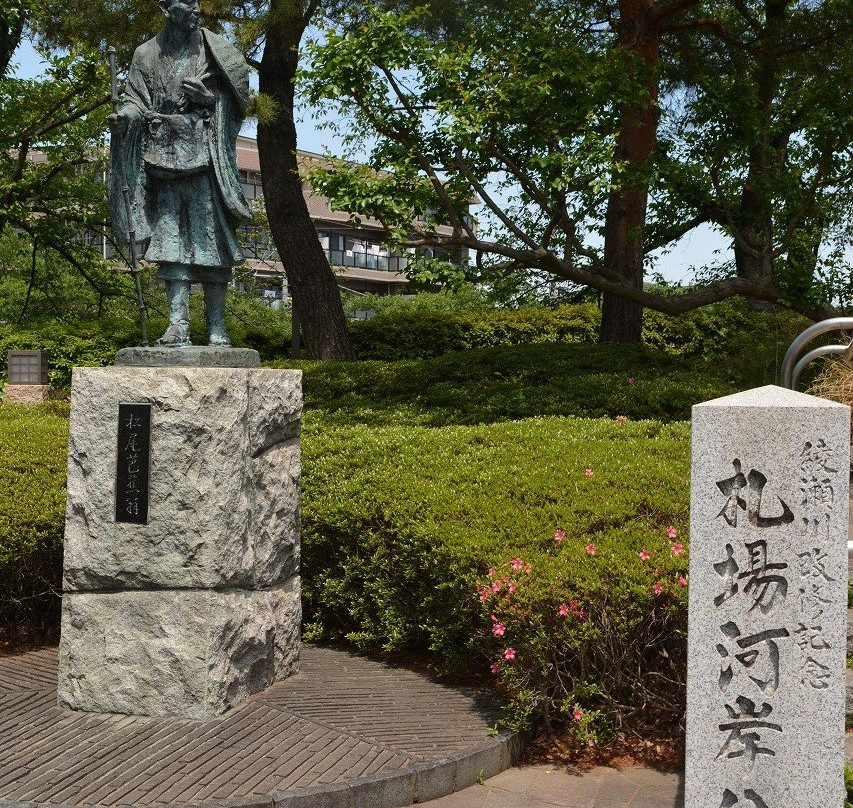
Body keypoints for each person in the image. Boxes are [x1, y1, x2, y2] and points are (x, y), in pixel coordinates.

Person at [108, 0, 252, 347]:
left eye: (197, 3)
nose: (196, 9)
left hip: (206, 160)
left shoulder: (218, 52)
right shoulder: (145, 54)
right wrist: (125, 118)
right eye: (187, 4)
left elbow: (237, 102)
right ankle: (178, 325)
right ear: (166, 8)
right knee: (170, 240)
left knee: (211, 243)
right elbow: (135, 100)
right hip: (162, 156)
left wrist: (209, 100)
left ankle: (217, 325)